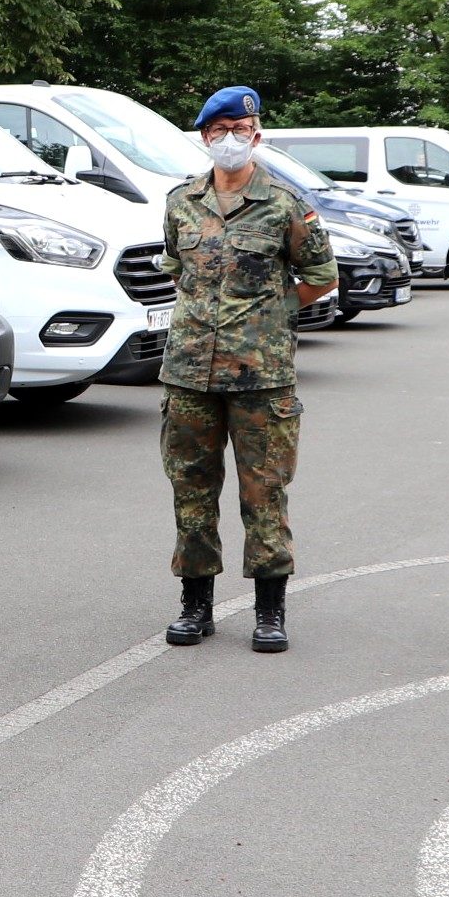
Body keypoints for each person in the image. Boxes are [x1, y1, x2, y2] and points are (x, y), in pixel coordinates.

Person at [157, 86, 337, 653]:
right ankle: (195, 605)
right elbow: (175, 268)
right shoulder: (180, 201)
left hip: (262, 377)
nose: (229, 140)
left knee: (265, 493)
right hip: (189, 373)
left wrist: (270, 316)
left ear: (256, 135)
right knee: (191, 489)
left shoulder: (285, 203)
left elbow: (322, 275)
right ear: (205, 138)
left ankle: (269, 609)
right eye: (218, 132)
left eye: (240, 129)